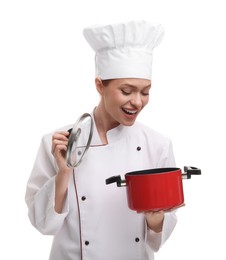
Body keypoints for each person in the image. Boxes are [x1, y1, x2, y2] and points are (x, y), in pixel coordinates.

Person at [25, 20, 177, 260]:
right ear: (99, 85)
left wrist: (156, 218)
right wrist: (63, 173)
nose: (137, 102)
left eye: (145, 92)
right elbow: (42, 225)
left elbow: (158, 235)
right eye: (127, 91)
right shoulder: (60, 144)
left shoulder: (157, 145)